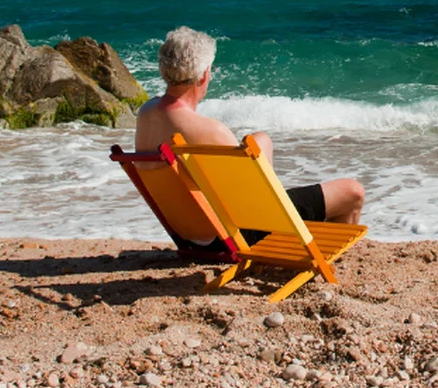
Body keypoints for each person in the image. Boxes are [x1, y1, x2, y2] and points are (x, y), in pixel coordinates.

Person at [135, 26, 365, 239]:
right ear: (204, 75)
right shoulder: (210, 131)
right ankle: (317, 258)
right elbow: (256, 204)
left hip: (189, 232)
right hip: (228, 233)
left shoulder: (146, 113)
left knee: (261, 139)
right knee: (353, 192)